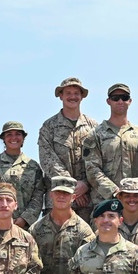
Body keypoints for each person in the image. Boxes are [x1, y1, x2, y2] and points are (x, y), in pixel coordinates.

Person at [39, 77, 98, 220]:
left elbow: (98, 160)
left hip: (87, 200)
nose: (73, 97)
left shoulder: (94, 127)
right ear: (61, 96)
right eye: (68, 93)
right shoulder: (49, 127)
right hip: (58, 198)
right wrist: (71, 188)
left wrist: (85, 184)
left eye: (76, 93)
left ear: (82, 97)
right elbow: (48, 160)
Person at [84, 83, 138, 206]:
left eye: (124, 97)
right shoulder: (96, 134)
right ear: (108, 101)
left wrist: (134, 193)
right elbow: (92, 168)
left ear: (130, 101)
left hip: (135, 202)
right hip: (105, 202)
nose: (120, 101)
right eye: (115, 98)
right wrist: (115, 192)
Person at [0, 121, 45, 229]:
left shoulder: (33, 166)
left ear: (23, 138)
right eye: (9, 134)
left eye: (18, 134)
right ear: (3, 139)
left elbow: (38, 195)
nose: (13, 137)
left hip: (25, 227)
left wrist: (25, 219)